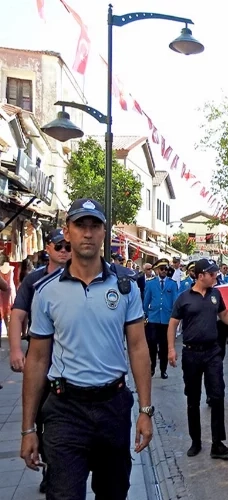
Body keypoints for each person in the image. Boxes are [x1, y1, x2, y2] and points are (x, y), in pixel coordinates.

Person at [20, 198, 154, 499]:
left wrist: (145, 410)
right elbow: (38, 359)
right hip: (66, 408)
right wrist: (28, 428)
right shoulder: (46, 291)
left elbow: (137, 347)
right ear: (67, 232)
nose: (88, 233)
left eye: (95, 226)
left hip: (113, 406)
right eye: (81, 225)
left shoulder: (126, 286)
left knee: (113, 492)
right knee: (64, 493)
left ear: (104, 233)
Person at [8, 228, 69, 493]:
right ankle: (49, 468)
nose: (65, 251)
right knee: (43, 417)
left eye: (68, 246)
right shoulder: (34, 281)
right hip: (41, 356)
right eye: (60, 246)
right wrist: (15, 350)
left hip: (69, 359)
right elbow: (17, 316)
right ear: (48, 249)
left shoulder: (79, 276)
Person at [168, 258, 228, 459]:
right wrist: (171, 349)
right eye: (211, 274)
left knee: (218, 395)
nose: (215, 277)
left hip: (212, 352)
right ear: (200, 275)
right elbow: (173, 324)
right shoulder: (184, 297)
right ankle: (195, 441)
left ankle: (218, 443)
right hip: (191, 353)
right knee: (193, 398)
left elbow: (224, 315)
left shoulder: (216, 294)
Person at [144, 258, 179, 379]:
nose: (164, 271)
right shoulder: (150, 283)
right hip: (153, 319)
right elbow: (146, 301)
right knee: (152, 346)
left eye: (166, 269)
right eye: (162, 269)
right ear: (157, 270)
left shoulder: (172, 284)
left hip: (166, 319)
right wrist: (145, 315)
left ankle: (163, 369)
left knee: (164, 347)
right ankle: (152, 367)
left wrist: (175, 317)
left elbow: (175, 301)